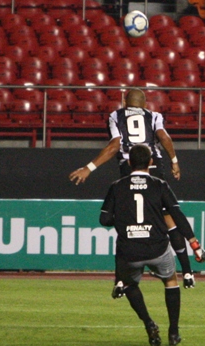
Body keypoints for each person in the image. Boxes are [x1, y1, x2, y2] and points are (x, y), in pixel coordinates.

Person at [69, 89, 196, 290]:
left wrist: (89, 168)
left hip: (130, 168)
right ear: (144, 104)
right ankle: (187, 272)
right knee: (168, 218)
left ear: (124, 102)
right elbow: (164, 137)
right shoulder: (154, 116)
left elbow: (114, 146)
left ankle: (120, 280)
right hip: (153, 167)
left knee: (128, 220)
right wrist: (174, 161)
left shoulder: (115, 116)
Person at [100, 144, 205, 346]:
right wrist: (194, 243)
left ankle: (149, 323)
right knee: (170, 281)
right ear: (151, 162)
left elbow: (104, 220)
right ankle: (173, 331)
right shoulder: (160, 185)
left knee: (130, 284)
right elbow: (177, 216)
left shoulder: (117, 186)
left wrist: (123, 220)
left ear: (129, 162)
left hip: (130, 251)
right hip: (157, 247)